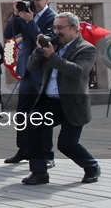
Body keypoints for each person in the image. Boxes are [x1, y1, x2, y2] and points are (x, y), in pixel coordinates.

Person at [21, 13, 100, 185]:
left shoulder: (86, 49)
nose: (56, 32)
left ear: (74, 28)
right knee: (30, 126)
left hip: (72, 104)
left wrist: (52, 56)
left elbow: (78, 72)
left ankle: (92, 167)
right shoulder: (53, 45)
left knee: (67, 145)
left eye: (60, 28)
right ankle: (39, 172)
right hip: (50, 102)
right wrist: (39, 50)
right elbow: (32, 67)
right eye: (54, 28)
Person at [2, 0, 56, 164]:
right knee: (22, 112)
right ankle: (24, 149)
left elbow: (44, 42)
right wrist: (17, 14)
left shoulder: (52, 18)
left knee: (42, 114)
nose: (35, 3)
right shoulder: (24, 14)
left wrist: (30, 21)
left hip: (43, 71)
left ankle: (46, 154)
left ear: (46, 0)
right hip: (27, 69)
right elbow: (8, 33)